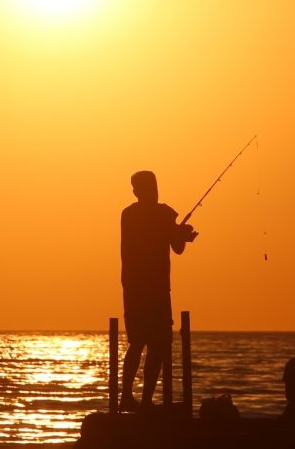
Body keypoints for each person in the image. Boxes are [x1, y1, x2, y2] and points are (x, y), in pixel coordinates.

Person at [119, 170, 198, 412]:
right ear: (137, 190)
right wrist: (178, 234)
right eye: (148, 186)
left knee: (156, 344)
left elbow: (176, 246)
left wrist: (181, 235)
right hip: (143, 289)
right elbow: (171, 243)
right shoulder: (139, 214)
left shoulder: (152, 214)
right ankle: (132, 398)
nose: (154, 190)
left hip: (148, 289)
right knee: (143, 342)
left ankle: (142, 400)